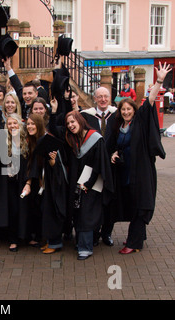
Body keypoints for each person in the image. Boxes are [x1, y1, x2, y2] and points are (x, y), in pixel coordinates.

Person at [109, 62, 169, 254]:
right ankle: (138, 237)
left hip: (141, 172)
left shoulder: (140, 123)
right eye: (123, 110)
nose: (126, 112)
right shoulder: (120, 126)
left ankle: (133, 243)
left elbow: (149, 101)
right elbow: (117, 145)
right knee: (132, 204)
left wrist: (159, 80)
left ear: (134, 110)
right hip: (126, 172)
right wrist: (114, 154)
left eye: (129, 109)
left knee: (139, 205)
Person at [50, 110, 113, 260]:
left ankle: (86, 248)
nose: (71, 125)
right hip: (77, 183)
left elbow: (100, 164)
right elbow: (54, 130)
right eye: (68, 123)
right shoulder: (73, 139)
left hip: (91, 183)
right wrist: (53, 112)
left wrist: (88, 184)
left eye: (73, 122)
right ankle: (82, 242)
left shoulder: (95, 139)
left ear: (80, 120)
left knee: (86, 214)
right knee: (77, 212)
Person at [0, 88, 35, 252]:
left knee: (26, 209)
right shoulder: (3, 138)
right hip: (8, 182)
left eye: (15, 123)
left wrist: (29, 181)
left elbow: (30, 162)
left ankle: (27, 237)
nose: (12, 125)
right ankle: (13, 239)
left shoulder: (26, 140)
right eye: (9, 124)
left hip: (23, 181)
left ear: (20, 124)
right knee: (13, 210)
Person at [26, 110, 68, 254]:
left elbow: (56, 165)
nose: (30, 126)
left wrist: (52, 161)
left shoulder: (48, 139)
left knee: (52, 211)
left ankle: (55, 243)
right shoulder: (35, 140)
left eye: (32, 124)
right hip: (44, 184)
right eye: (28, 124)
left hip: (54, 184)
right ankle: (50, 241)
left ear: (39, 124)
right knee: (46, 211)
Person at [80, 86, 117, 246]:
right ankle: (94, 233)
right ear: (94, 98)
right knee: (94, 200)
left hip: (112, 166)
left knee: (110, 201)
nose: (103, 99)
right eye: (99, 96)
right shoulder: (87, 116)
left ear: (110, 98)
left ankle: (107, 233)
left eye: (105, 96)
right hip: (94, 166)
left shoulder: (116, 115)